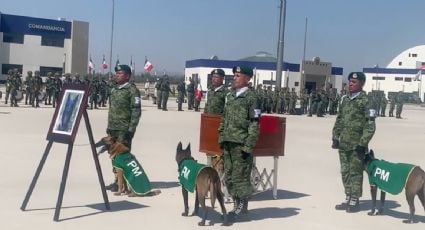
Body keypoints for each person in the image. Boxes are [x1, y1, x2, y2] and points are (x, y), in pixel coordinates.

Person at [219, 66, 260, 221]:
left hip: (241, 143)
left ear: (247, 79)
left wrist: (248, 145)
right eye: (234, 75)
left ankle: (240, 209)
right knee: (228, 175)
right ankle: (237, 206)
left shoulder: (251, 97)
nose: (234, 78)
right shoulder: (230, 96)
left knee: (240, 176)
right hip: (228, 142)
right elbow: (224, 118)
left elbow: (255, 123)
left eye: (238, 75)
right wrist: (221, 136)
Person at [332, 72, 376, 213]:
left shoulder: (367, 101)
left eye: (354, 82)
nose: (350, 84)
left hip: (357, 145)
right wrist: (335, 136)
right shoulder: (345, 99)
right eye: (350, 81)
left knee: (355, 172)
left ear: (362, 84)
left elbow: (370, 125)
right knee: (345, 171)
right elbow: (339, 119)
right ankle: (348, 196)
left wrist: (363, 143)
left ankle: (355, 199)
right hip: (343, 143)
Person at [105, 64, 142, 191]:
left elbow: (136, 111)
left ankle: (122, 182)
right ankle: (117, 179)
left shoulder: (132, 90)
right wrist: (109, 127)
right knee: (113, 155)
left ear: (127, 76)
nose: (117, 75)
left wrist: (131, 129)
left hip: (124, 129)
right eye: (117, 73)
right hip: (113, 128)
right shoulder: (114, 89)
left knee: (122, 156)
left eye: (120, 73)